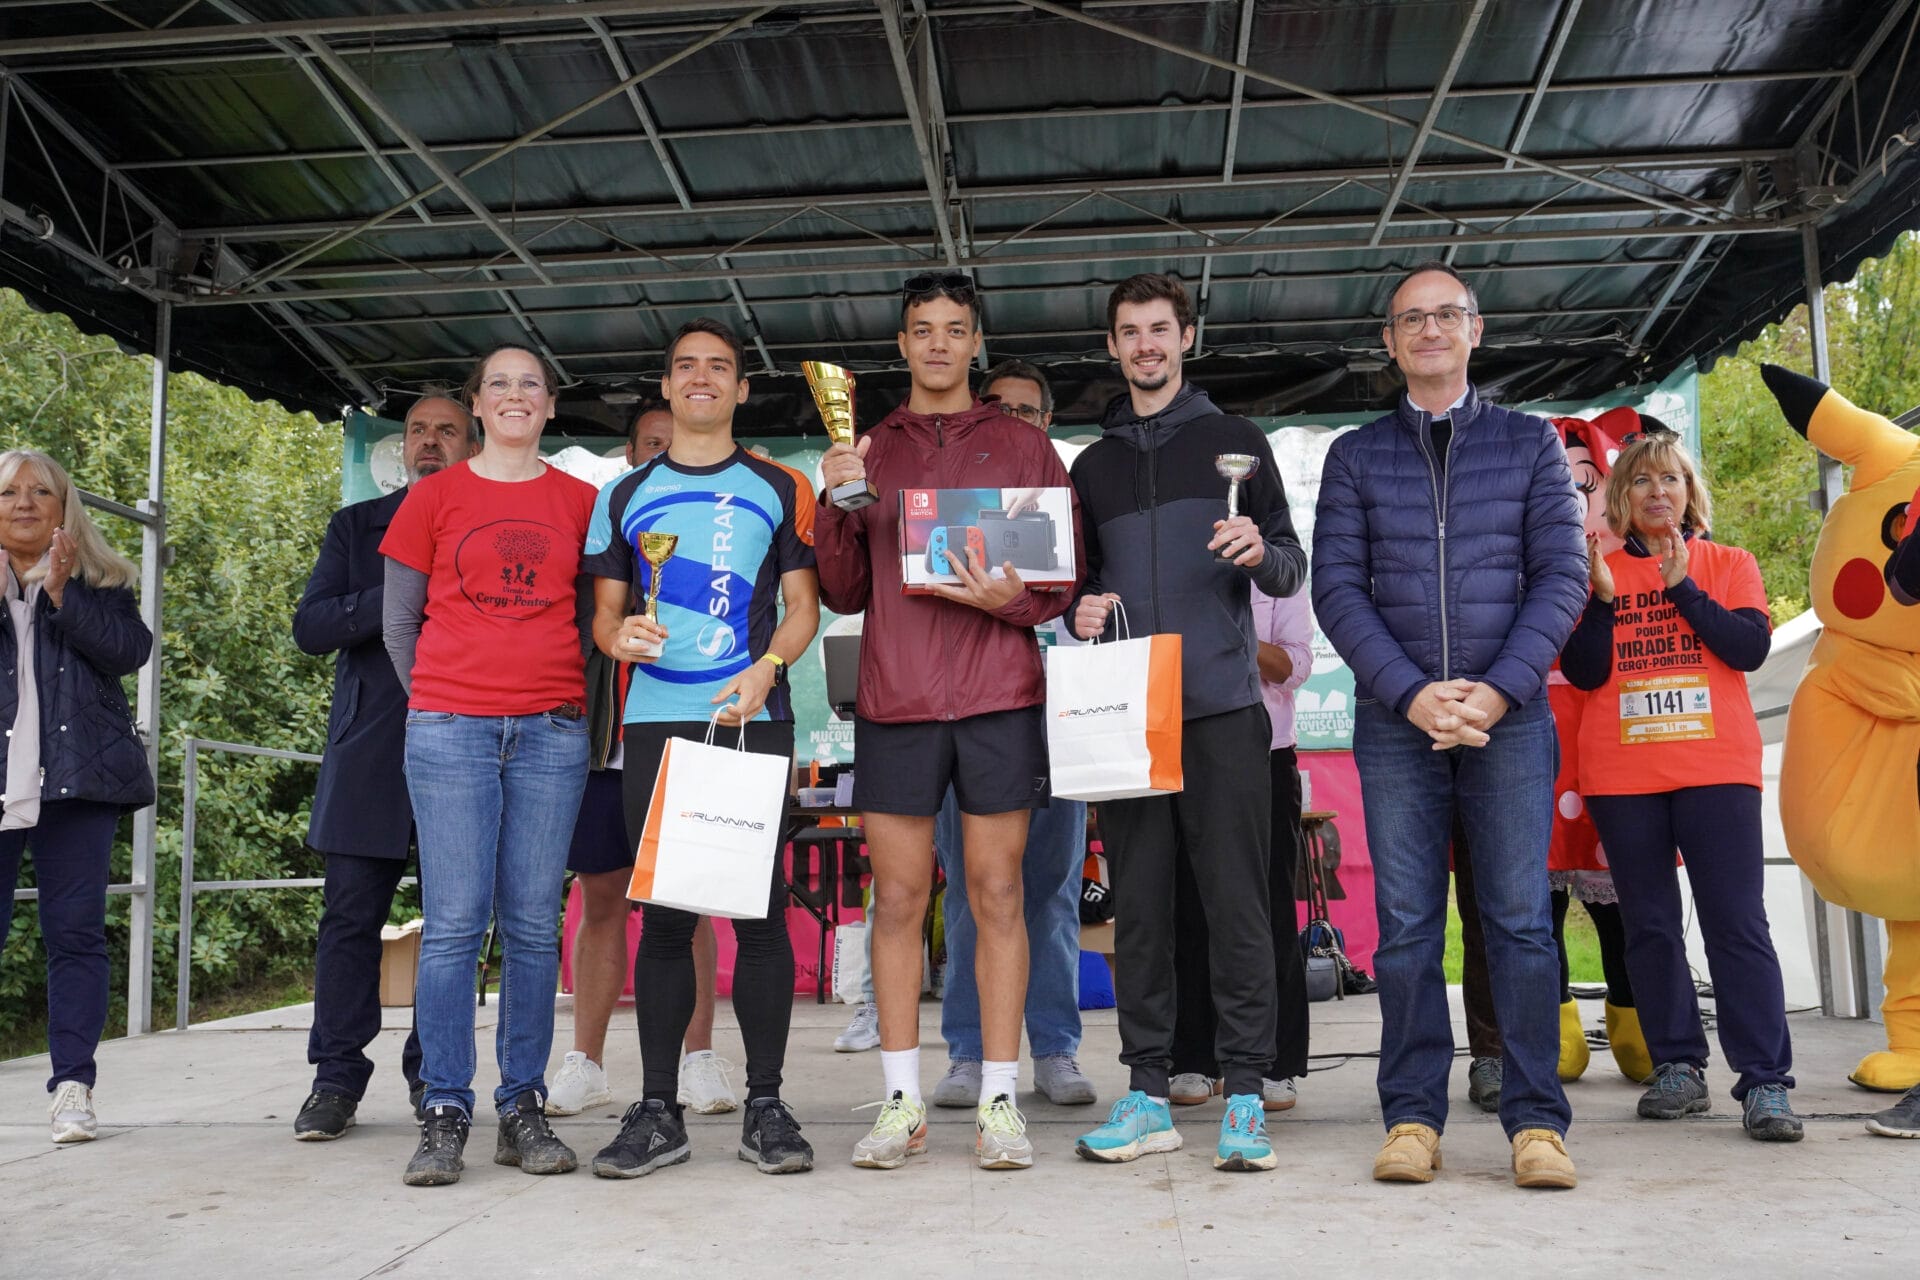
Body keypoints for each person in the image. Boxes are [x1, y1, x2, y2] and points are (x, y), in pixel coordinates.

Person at [1312, 260, 1585, 1189]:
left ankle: (1537, 1123)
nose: (1429, 330)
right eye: (1410, 319)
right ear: (1388, 344)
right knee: (1405, 928)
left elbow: (1563, 578)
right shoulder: (1355, 456)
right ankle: (1413, 1119)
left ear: (1476, 331)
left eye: (1446, 315)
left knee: (1517, 923)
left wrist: (1499, 692)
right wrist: (1411, 693)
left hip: (1509, 719)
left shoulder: (1533, 445)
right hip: (1399, 724)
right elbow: (1337, 591)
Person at [815, 273, 1080, 1172]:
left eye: (954, 329)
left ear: (976, 344)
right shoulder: (869, 448)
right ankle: (901, 1100)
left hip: (1001, 698)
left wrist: (1014, 601)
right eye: (921, 329)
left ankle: (1000, 1100)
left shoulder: (1023, 444)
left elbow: (1059, 588)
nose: (937, 344)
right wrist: (833, 501)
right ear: (902, 344)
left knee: (999, 893)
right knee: (898, 900)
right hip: (896, 701)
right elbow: (845, 590)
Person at [1068, 273, 1306, 1174]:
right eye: (1129, 332)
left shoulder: (1237, 443)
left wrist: (1260, 555)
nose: (1145, 346)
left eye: (1160, 330)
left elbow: (1288, 562)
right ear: (1113, 347)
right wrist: (1083, 611)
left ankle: (1245, 1095)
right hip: (1130, 711)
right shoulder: (1091, 468)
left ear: (1186, 337)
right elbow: (1077, 587)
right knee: (1142, 911)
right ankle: (1147, 1092)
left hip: (1223, 708)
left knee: (1239, 904)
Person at [582, 319, 822, 1179]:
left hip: (753, 713)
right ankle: (657, 1110)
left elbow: (803, 607)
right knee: (667, 920)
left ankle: (766, 1105)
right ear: (668, 384)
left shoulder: (780, 485)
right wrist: (623, 640)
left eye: (719, 368)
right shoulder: (624, 495)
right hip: (655, 720)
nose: (702, 379)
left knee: (758, 914)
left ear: (741, 389)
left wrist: (766, 668)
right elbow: (606, 617)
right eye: (686, 367)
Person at [380, 344, 599, 1186]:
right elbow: (401, 625)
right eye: (499, 383)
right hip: (450, 730)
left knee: (536, 926)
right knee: (454, 927)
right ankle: (443, 1109)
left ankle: (523, 1106)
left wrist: (550, 693)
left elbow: (593, 618)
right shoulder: (431, 498)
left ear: (550, 407)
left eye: (530, 385)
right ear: (479, 404)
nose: (514, 396)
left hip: (549, 732)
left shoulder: (583, 502)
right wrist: (441, 700)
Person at [1559, 428, 1802, 1142]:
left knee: (1737, 923)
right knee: (1651, 926)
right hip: (1623, 777)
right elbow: (1584, 672)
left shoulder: (1730, 563)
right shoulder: (1592, 570)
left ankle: (1765, 1082)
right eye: (1640, 482)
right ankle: (1677, 1067)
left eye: (1670, 480)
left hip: (1715, 773)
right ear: (1620, 501)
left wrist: (1682, 588)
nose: (1657, 492)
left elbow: (1748, 648)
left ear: (1691, 494)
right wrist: (1602, 602)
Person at [291, 395, 475, 1141]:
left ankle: (434, 1076)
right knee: (348, 922)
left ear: (473, 442)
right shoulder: (358, 527)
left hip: (465, 747)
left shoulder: (488, 528)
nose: (429, 443)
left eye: (446, 431)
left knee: (454, 927)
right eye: (418, 431)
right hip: (369, 753)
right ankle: (334, 1081)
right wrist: (401, 589)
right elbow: (311, 627)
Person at [550, 400, 737, 1119]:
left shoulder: (725, 539)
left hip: (689, 736)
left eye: (677, 444)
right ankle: (585, 1061)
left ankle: (698, 1058)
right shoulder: (600, 536)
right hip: (608, 742)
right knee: (601, 901)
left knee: (685, 906)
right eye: (652, 446)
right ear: (630, 458)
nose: (667, 455)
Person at [928, 359, 1096, 1111]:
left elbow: (1091, 600)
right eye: (1000, 407)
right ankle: (967, 1052)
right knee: (969, 889)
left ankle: (1055, 1047)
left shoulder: (1068, 497)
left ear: (1048, 422)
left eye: (1029, 410)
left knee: (1052, 888)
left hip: (1058, 715)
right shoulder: (948, 505)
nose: (1014, 420)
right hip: (964, 718)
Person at [0, 449, 154, 1144]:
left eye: (41, 492)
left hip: (76, 785)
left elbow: (129, 652)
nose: (25, 502)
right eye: (9, 492)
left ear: (65, 509)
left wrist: (62, 595)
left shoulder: (102, 581)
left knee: (75, 936)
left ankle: (73, 1086)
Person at [1164, 583, 1314, 1115]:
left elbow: (1295, 667)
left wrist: (1229, 632)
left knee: (1266, 903)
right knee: (1187, 900)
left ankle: (1275, 1061)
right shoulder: (1174, 561)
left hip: (1264, 752)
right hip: (1177, 743)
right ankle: (1193, 1055)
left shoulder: (1278, 569)